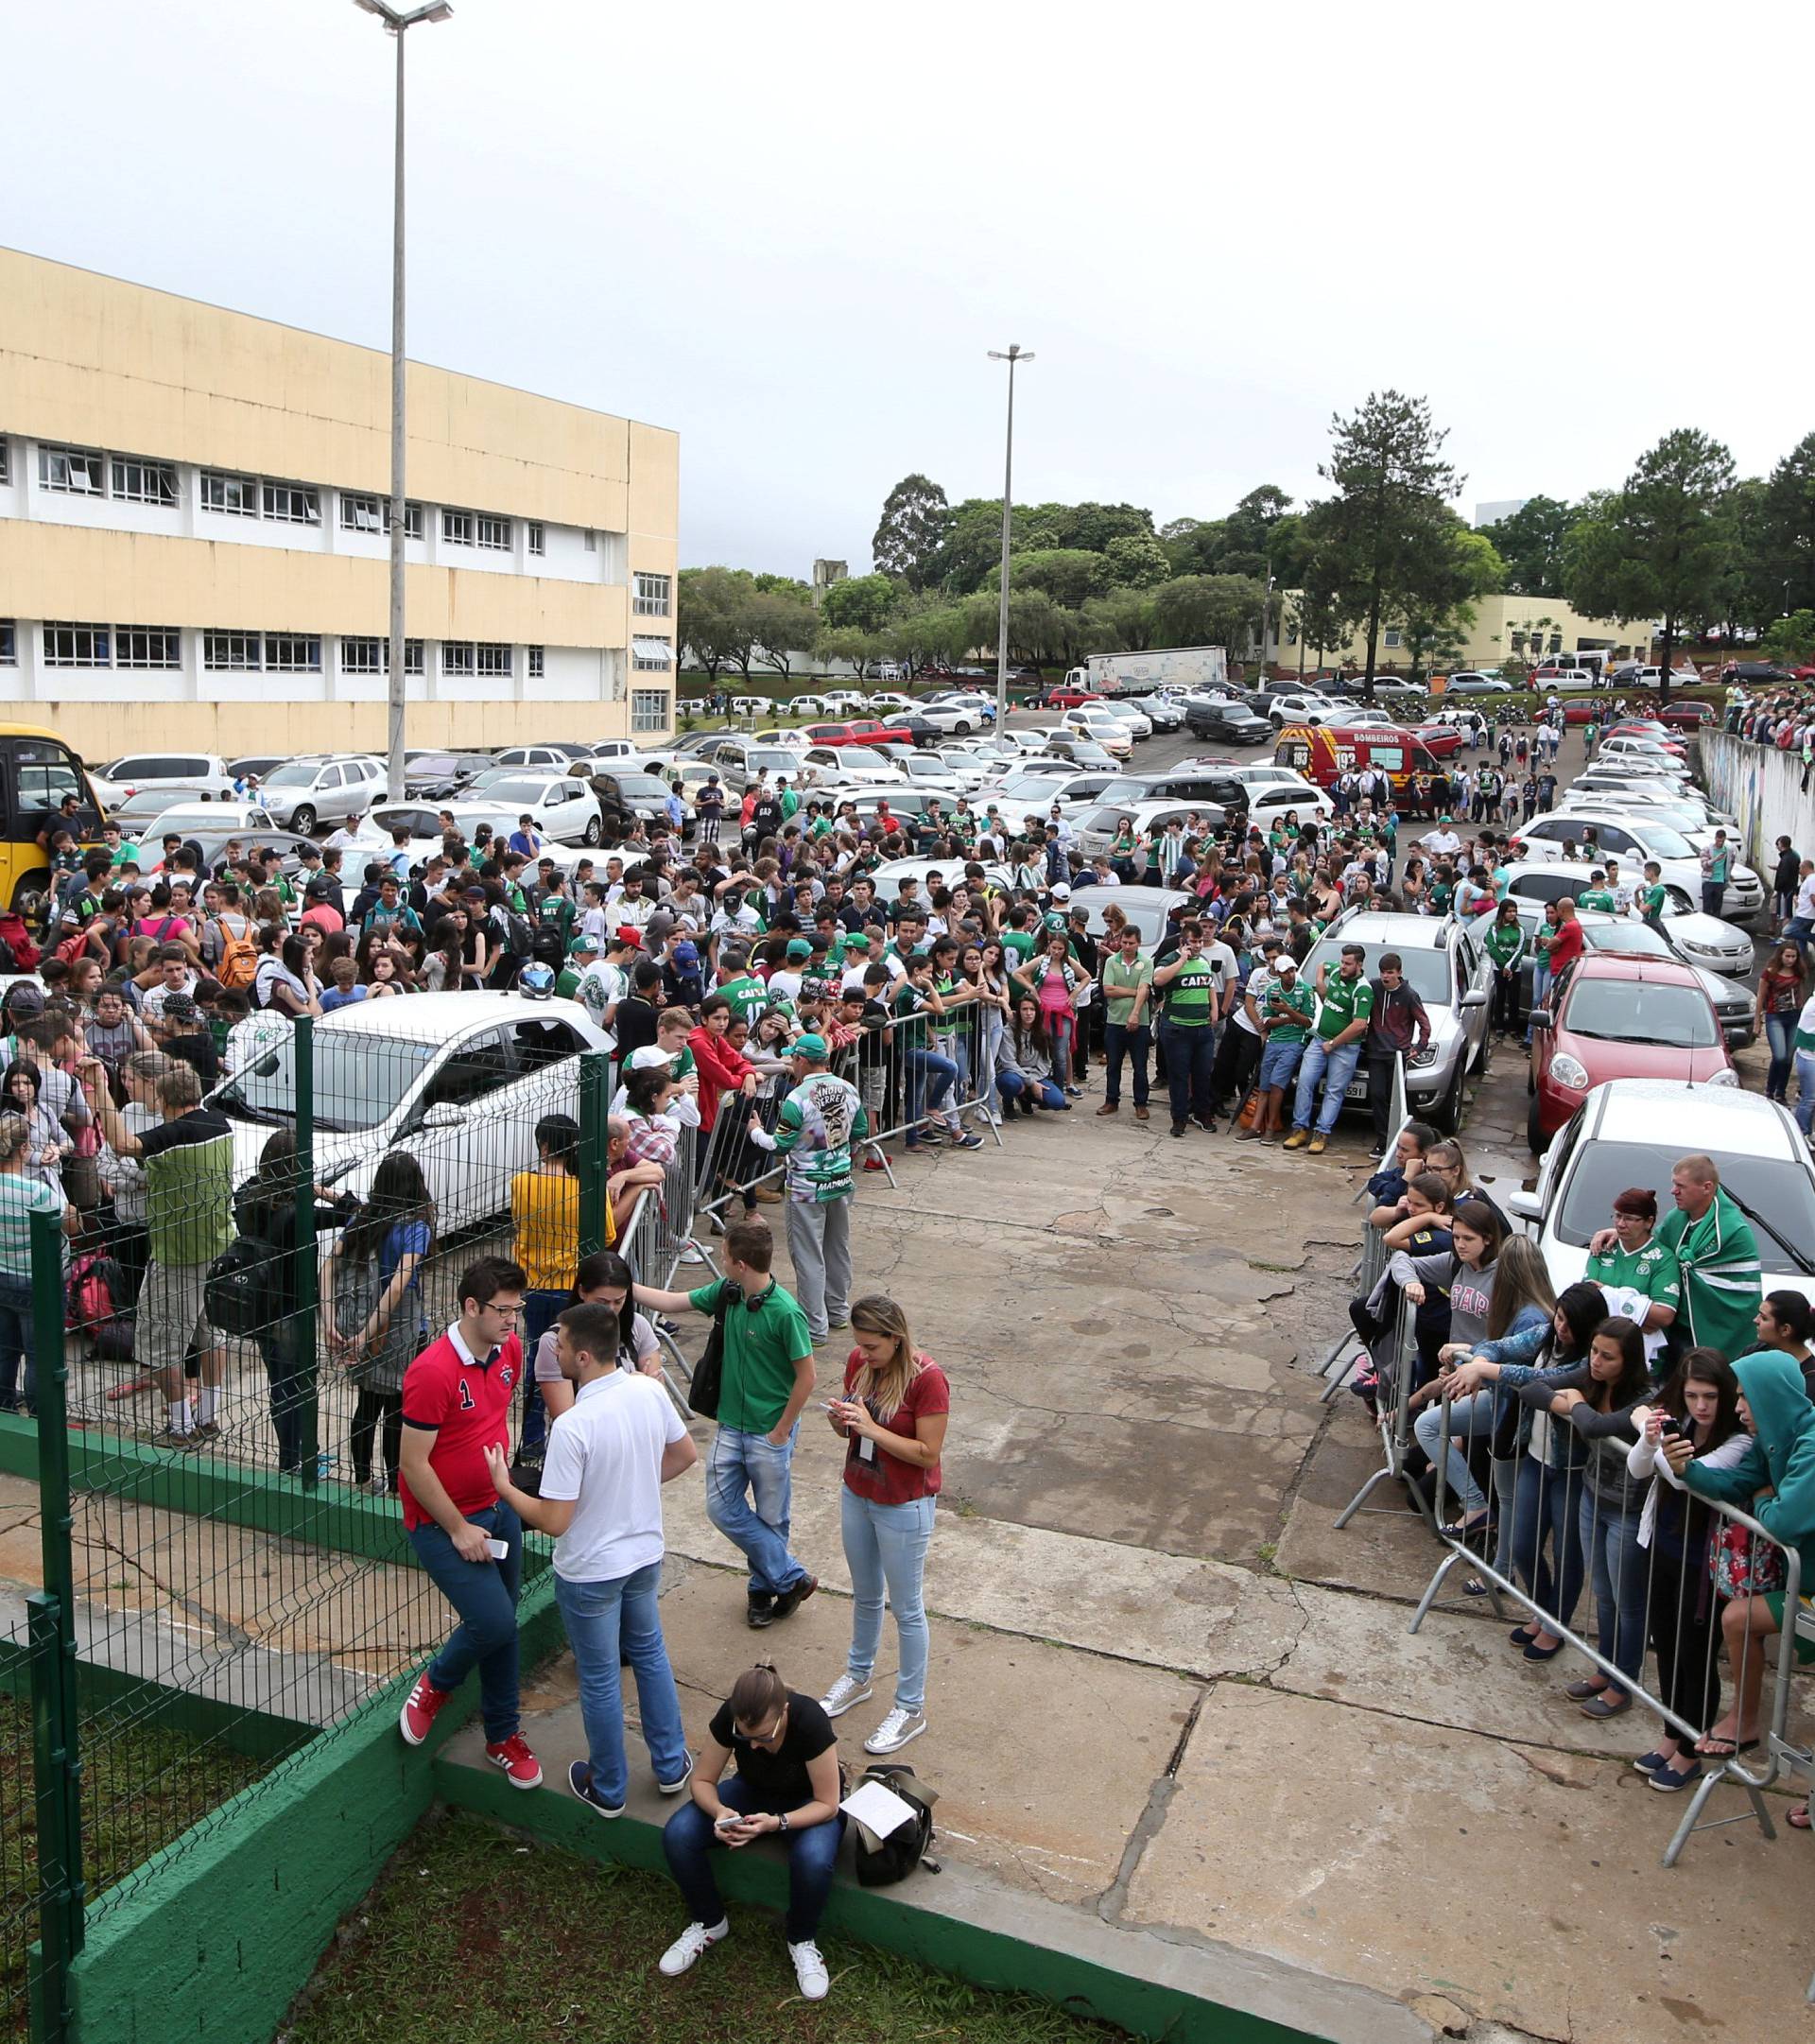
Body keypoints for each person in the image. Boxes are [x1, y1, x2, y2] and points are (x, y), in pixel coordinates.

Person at [484, 1298, 699, 1816]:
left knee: (601, 1677)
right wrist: (635, 1489)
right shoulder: (649, 1391)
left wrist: (505, 1488)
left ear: (581, 1356)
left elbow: (556, 1520)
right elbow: (685, 1454)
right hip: (644, 1555)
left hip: (591, 1573)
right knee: (649, 1655)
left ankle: (608, 1786)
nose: (552, 1348)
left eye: (558, 1342)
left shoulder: (574, 1426)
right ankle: (671, 1766)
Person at [395, 1256, 543, 1790]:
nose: (512, 1321)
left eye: (518, 1309)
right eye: (502, 1311)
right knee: (495, 1622)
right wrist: (458, 1527)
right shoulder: (432, 1371)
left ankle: (503, 1735)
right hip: (441, 1522)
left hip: (498, 1508)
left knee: (504, 1625)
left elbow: (491, 1419)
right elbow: (412, 1464)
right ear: (470, 1306)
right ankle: (436, 1683)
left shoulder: (510, 1349)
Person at [633, 1216, 818, 1628]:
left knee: (772, 1517)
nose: (722, 1261)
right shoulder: (728, 1294)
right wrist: (619, 1287)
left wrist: (782, 1430)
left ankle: (761, 1590)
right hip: (732, 1427)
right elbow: (674, 1302)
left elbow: (807, 1377)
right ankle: (790, 1577)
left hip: (769, 1430)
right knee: (722, 1509)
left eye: (726, 1256)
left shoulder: (786, 1314)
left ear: (739, 1264)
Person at [658, 1661, 844, 2002]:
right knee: (679, 1833)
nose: (754, 1746)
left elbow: (829, 1803)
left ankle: (801, 1940)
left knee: (813, 1860)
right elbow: (701, 1780)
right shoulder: (732, 1715)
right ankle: (709, 1922)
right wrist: (719, 1812)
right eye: (746, 1737)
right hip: (752, 1790)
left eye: (764, 1737)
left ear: (785, 1710)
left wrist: (776, 1822)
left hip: (806, 1802)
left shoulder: (811, 1720)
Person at [75, 1057, 233, 1444]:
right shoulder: (219, 1123)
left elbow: (122, 1145)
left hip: (178, 1254)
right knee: (211, 1334)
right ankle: (208, 1417)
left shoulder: (174, 1134)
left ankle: (180, 1427)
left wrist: (98, 1086)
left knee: (159, 1345)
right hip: (217, 1243)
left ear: (164, 1098)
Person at [819, 1293, 948, 1757]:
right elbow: (851, 1434)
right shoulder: (859, 1360)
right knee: (866, 1594)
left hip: (903, 1505)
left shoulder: (927, 1380)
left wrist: (872, 1429)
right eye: (861, 1345)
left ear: (895, 1339)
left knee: (906, 1607)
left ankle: (910, 1707)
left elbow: (927, 1453)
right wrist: (843, 1421)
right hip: (859, 1491)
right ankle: (858, 1677)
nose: (864, 1354)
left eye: (873, 1347)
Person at [1678, 1350, 1815, 1773]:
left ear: (1770, 1396)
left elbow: (1785, 1523)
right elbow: (1739, 1479)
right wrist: (1687, 1469)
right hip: (1806, 1583)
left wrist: (1763, 1500)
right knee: (1738, 1617)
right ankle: (1747, 1722)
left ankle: (1747, 1721)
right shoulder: (1775, 1433)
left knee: (1739, 1617)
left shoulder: (1811, 1442)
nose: (1736, 1408)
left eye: (1744, 1397)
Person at [1623, 1349, 1749, 1792]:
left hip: (1707, 1568)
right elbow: (1638, 1468)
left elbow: (1684, 1477)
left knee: (1696, 1657)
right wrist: (1649, 1436)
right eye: (1692, 1395)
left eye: (1711, 1396)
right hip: (1664, 1547)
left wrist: (1644, 1427)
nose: (1700, 1406)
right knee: (1668, 1647)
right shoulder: (1682, 1425)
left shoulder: (1740, 1441)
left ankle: (1692, 1748)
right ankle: (1672, 1734)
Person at [233, 1128, 353, 1477]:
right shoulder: (299, 1215)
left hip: (260, 1307)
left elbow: (256, 1184)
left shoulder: (246, 1198)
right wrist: (320, 1191)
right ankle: (298, 1460)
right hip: (292, 1312)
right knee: (299, 1387)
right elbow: (355, 1211)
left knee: (279, 1386)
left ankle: (294, 1456)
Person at [324, 1152, 435, 1496]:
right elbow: (400, 1283)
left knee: (367, 1405)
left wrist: (329, 1322)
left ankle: (362, 1480)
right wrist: (369, 1332)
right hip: (400, 1330)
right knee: (397, 1412)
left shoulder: (363, 1219)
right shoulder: (416, 1227)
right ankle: (394, 1485)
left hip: (358, 1325)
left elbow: (327, 1267)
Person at [744, 1033, 865, 1346]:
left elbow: (780, 1145)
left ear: (800, 1060)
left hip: (806, 1189)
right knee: (838, 1248)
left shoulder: (798, 1099)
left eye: (792, 1059)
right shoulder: (848, 1088)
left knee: (809, 1256)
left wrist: (756, 1133)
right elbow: (862, 1130)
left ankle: (814, 1328)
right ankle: (837, 1312)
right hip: (840, 1182)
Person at [1591, 1155, 1762, 1363]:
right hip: (1672, 1334)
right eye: (1674, 1184)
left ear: (1706, 1188)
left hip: (1715, 1331)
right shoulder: (1677, 1218)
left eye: (1680, 1186)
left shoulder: (1734, 1231)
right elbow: (1651, 1245)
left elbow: (1741, 1295)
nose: (1673, 1191)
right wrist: (1620, 1231)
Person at [510, 1113, 583, 1460]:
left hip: (535, 1285)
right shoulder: (584, 1188)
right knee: (572, 1362)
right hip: (571, 1287)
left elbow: (517, 1221)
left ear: (543, 1146)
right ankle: (569, 1430)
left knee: (537, 1361)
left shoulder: (521, 1184)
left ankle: (531, 1437)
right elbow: (608, 1232)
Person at [0, 1111, 79, 1412]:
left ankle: (3, 1408)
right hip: (38, 1282)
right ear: (23, 1148)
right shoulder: (36, 1193)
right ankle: (40, 1412)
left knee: (5, 1350)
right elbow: (70, 1224)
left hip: (2, 1275)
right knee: (40, 1354)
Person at [1284, 943, 1374, 1156]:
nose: (1343, 966)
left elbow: (1360, 1024)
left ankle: (1321, 1132)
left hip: (1345, 1048)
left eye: (1348, 964)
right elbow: (1322, 965)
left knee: (1334, 1090)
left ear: (1359, 965)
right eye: (1342, 961)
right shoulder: (1335, 970)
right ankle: (1299, 1128)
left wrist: (1334, 1044)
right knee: (1304, 1081)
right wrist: (1320, 986)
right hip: (1319, 1040)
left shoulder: (1363, 989)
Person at [1583, 1187, 1680, 1367]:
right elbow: (1587, 1302)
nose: (1620, 1224)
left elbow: (1664, 1316)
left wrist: (1608, 1294)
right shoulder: (1602, 1247)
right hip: (1597, 1358)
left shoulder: (1663, 1259)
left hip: (1642, 1364)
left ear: (1649, 1222)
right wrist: (1640, 1314)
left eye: (1629, 1218)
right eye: (1617, 1216)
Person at [1152, 917, 1222, 1138]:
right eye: (1193, 941)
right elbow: (1159, 980)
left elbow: (1209, 984)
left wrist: (1214, 1009)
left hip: (1202, 1029)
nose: (1198, 945)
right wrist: (1181, 960)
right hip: (1176, 1029)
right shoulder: (1169, 959)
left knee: (1203, 1075)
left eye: (1200, 941)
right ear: (1183, 942)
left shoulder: (1202, 961)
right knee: (1179, 1076)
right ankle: (1179, 1118)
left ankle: (1202, 1114)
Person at [1361, 951, 1430, 1158]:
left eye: (1390, 972)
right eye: (1383, 972)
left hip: (1398, 1056)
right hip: (1375, 1052)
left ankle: (1398, 1143)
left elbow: (1425, 1025)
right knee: (1376, 1095)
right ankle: (1382, 1142)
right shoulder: (1373, 987)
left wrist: (1419, 1047)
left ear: (1399, 972)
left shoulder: (1409, 995)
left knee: (1396, 1101)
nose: (1386, 977)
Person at [1097, 921, 1152, 1119]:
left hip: (1140, 1022)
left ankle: (1141, 1103)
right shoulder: (1112, 962)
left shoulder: (1146, 963)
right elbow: (1108, 989)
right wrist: (1134, 991)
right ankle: (1111, 1099)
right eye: (1124, 942)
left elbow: (1144, 990)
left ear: (1139, 943)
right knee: (1113, 1065)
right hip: (1115, 1021)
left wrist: (1135, 1012)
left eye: (1131, 943)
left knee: (1140, 1066)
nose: (1127, 947)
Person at [1754, 941, 1805, 1105]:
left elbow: (1801, 994)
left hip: (1794, 1017)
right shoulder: (1769, 973)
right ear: (1780, 955)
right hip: (1775, 1016)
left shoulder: (1799, 972)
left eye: (1793, 956)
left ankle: (1780, 1092)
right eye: (1787, 956)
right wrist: (1758, 1021)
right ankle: (1769, 1089)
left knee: (1789, 1058)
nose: (1790, 960)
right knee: (1780, 1055)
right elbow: (1761, 997)